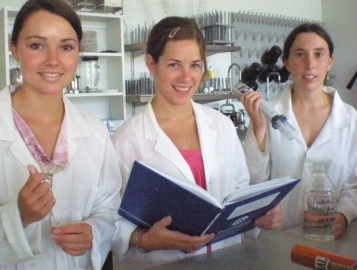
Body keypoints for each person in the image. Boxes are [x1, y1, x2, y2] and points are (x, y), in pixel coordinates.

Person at [0, 0, 121, 270]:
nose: (53, 60)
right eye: (37, 45)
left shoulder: (93, 132)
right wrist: (17, 216)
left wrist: (94, 231)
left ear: (77, 53)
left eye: (66, 47)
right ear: (14, 49)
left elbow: (109, 209)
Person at [112, 16, 284, 269]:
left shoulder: (221, 125)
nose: (186, 77)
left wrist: (259, 213)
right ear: (151, 63)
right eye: (173, 64)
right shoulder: (127, 139)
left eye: (195, 65)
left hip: (227, 259)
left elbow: (239, 190)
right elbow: (110, 218)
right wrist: (144, 239)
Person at [240, 23, 357, 239]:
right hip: (275, 240)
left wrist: (343, 214)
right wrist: (258, 128)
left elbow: (354, 184)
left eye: (319, 54)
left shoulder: (351, 120)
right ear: (287, 63)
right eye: (300, 54)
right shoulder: (266, 113)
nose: (310, 64)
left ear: (330, 62)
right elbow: (251, 180)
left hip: (331, 238)